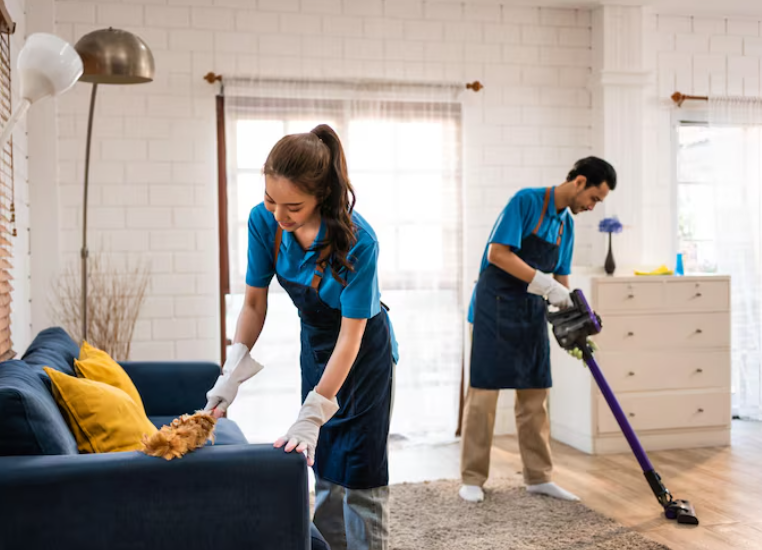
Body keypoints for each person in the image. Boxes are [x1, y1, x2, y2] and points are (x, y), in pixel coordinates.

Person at [204, 124, 398, 550]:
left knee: (361, 472)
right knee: (323, 462)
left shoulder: (359, 241)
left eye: (293, 206)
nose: (279, 214)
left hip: (362, 356)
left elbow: (351, 337)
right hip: (315, 347)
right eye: (271, 200)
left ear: (322, 196)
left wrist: (314, 410)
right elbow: (254, 304)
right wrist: (231, 373)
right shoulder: (265, 223)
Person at [459, 157, 616, 504]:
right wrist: (547, 286)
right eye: (594, 198)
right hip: (493, 309)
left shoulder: (566, 226)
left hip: (530, 312)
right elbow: (498, 254)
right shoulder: (526, 201)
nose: (592, 206)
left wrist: (578, 319)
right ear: (579, 181)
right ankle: (472, 478)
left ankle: (539, 477)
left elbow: (561, 280)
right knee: (484, 396)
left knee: (535, 398)